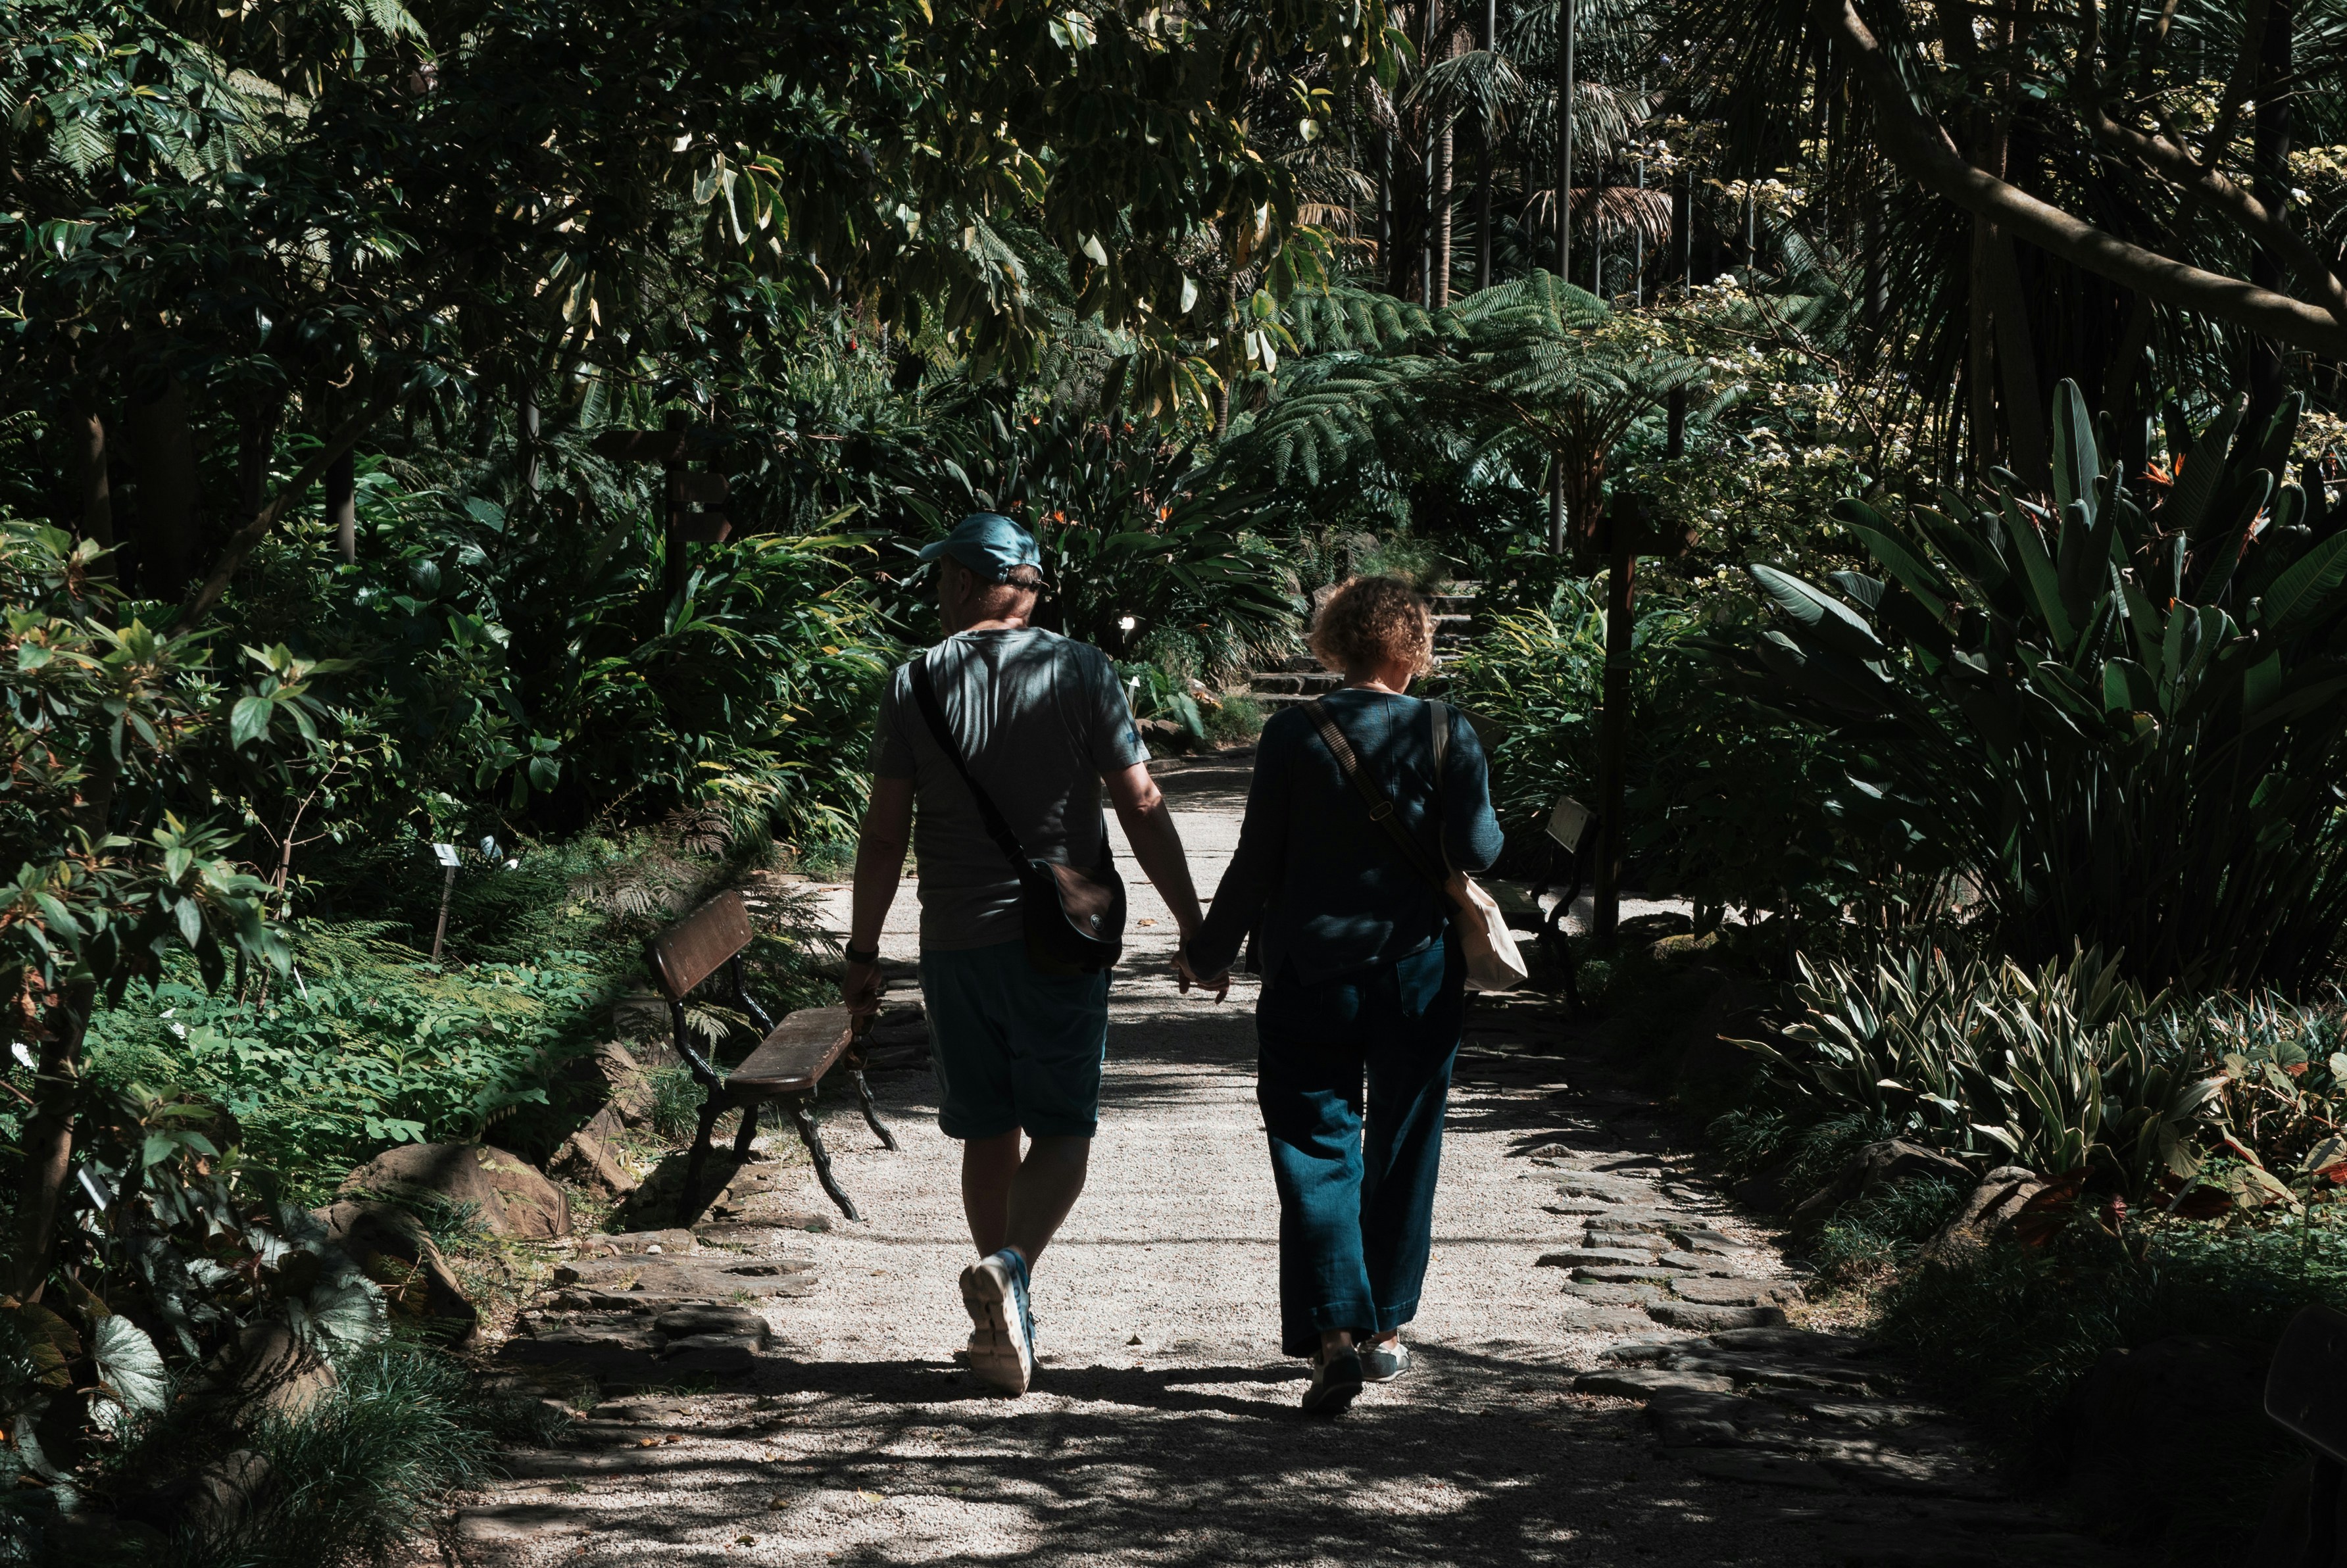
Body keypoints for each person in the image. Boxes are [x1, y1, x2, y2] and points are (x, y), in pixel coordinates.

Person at [843, 511, 1211, 1398]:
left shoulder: (914, 682)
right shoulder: (1084, 670)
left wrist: (862, 950)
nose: (935, 597)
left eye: (941, 581)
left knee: (985, 1126)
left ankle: (1004, 1319)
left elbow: (885, 834)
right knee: (1063, 1132)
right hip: (1058, 942)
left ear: (973, 582)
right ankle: (1009, 1271)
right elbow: (1141, 803)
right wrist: (1193, 922)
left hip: (955, 947)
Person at [1177, 576, 1502, 1415]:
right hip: (1418, 971)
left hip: (1307, 972)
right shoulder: (1447, 728)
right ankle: (1386, 1330)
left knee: (1316, 1142)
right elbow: (1479, 845)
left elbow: (1256, 859)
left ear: (1334, 639)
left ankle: (1331, 1338)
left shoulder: (1294, 732)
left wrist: (1210, 952)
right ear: (1414, 644)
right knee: (1403, 1139)